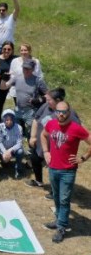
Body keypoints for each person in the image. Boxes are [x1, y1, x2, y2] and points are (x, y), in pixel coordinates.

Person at [41, 101, 91, 243]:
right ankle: (58, 220)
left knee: (64, 199)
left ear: (69, 112)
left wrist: (83, 158)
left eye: (63, 112)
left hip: (67, 171)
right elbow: (43, 135)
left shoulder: (76, 128)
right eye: (58, 111)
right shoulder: (51, 124)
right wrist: (46, 152)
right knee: (56, 196)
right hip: (53, 168)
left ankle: (61, 227)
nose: (61, 114)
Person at [26, 88, 80, 189]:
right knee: (35, 159)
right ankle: (38, 181)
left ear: (58, 100)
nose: (47, 101)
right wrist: (33, 137)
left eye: (49, 100)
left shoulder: (70, 113)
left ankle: (55, 191)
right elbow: (36, 120)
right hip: (40, 144)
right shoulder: (46, 106)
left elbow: (77, 130)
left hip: (56, 148)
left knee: (56, 170)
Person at [0, 58, 48, 137]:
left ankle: (31, 143)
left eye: (28, 68)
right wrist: (3, 79)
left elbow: (48, 95)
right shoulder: (17, 77)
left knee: (31, 133)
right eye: (24, 68)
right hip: (18, 109)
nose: (25, 70)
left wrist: (39, 100)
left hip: (31, 110)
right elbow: (3, 87)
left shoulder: (38, 80)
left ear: (33, 69)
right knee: (15, 131)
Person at [0, 109, 24, 179]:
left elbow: (19, 143)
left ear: (14, 119)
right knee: (5, 161)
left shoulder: (19, 127)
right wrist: (5, 152)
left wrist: (10, 150)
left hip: (13, 149)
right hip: (3, 149)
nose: (9, 122)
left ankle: (18, 169)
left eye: (11, 119)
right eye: (6, 120)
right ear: (3, 119)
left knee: (20, 151)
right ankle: (3, 162)